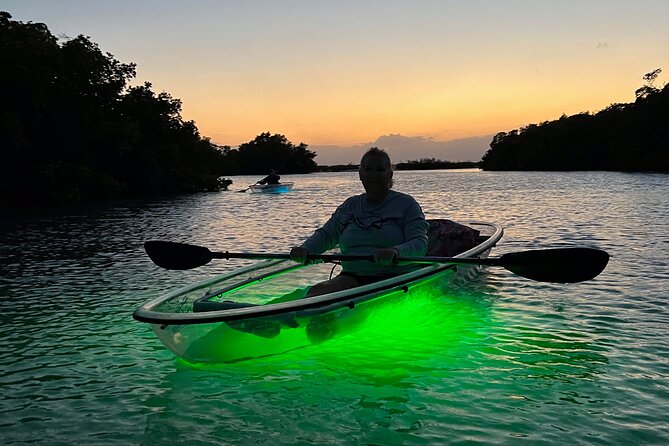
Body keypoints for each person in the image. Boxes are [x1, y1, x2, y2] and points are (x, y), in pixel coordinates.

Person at [290, 147, 428, 297]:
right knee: (316, 292)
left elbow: (420, 242)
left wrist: (395, 251)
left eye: (380, 170)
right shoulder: (350, 205)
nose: (373, 174)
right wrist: (306, 249)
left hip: (396, 275)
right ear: (360, 174)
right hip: (353, 276)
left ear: (390, 175)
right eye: (368, 169)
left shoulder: (407, 204)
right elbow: (327, 235)